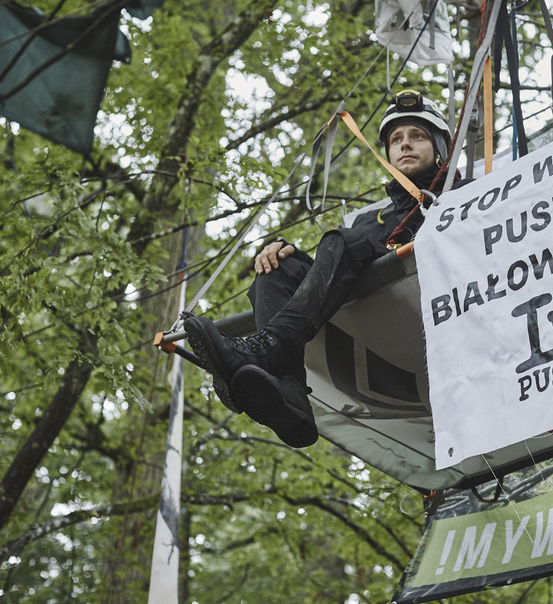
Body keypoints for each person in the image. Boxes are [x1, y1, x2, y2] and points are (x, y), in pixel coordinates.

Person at [184, 90, 461, 448]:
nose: (405, 145)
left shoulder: (466, 195)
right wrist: (286, 254)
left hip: (427, 313)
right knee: (279, 266)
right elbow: (337, 267)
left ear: (439, 147)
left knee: (342, 240)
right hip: (367, 322)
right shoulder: (369, 220)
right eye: (396, 139)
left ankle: (269, 349)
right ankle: (290, 389)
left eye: (417, 136)